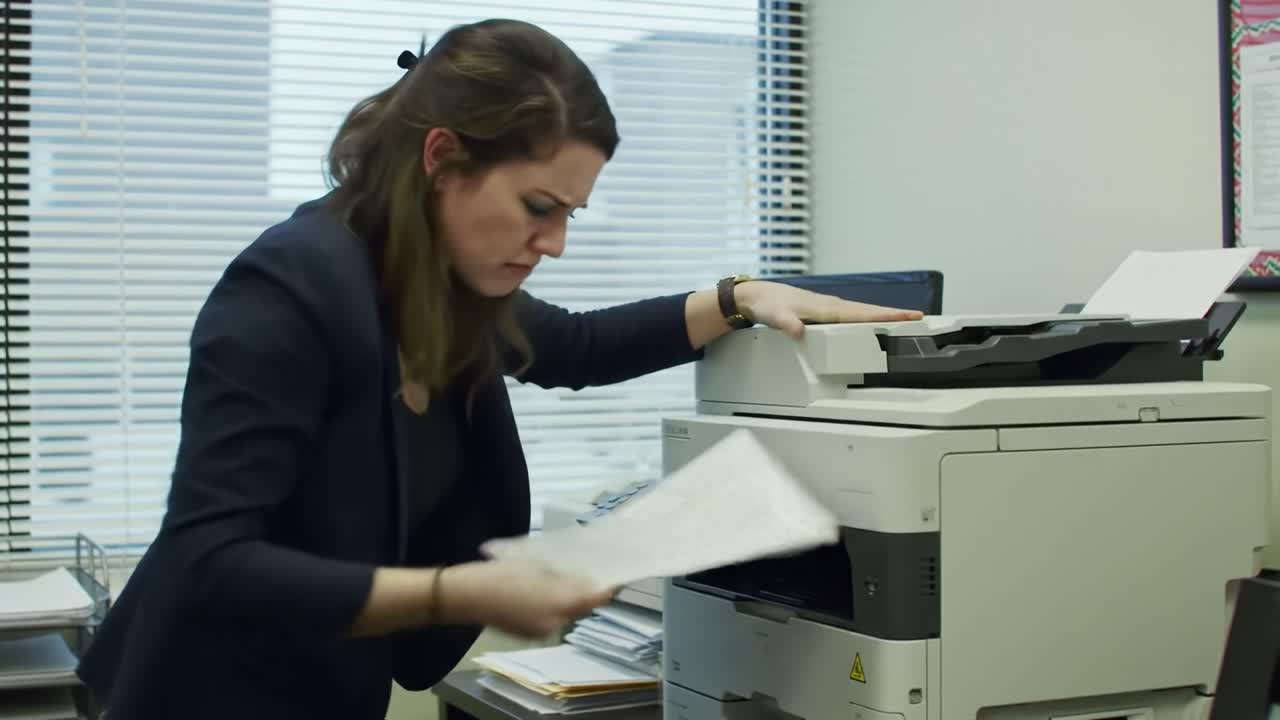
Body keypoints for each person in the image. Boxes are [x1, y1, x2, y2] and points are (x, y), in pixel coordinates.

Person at [74, 18, 922, 720]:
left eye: (570, 216)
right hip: (208, 694)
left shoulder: (438, 287)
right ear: (442, 157)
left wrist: (744, 295)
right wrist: (462, 592)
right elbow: (209, 562)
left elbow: (582, 348)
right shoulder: (286, 290)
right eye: (538, 208)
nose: (553, 244)